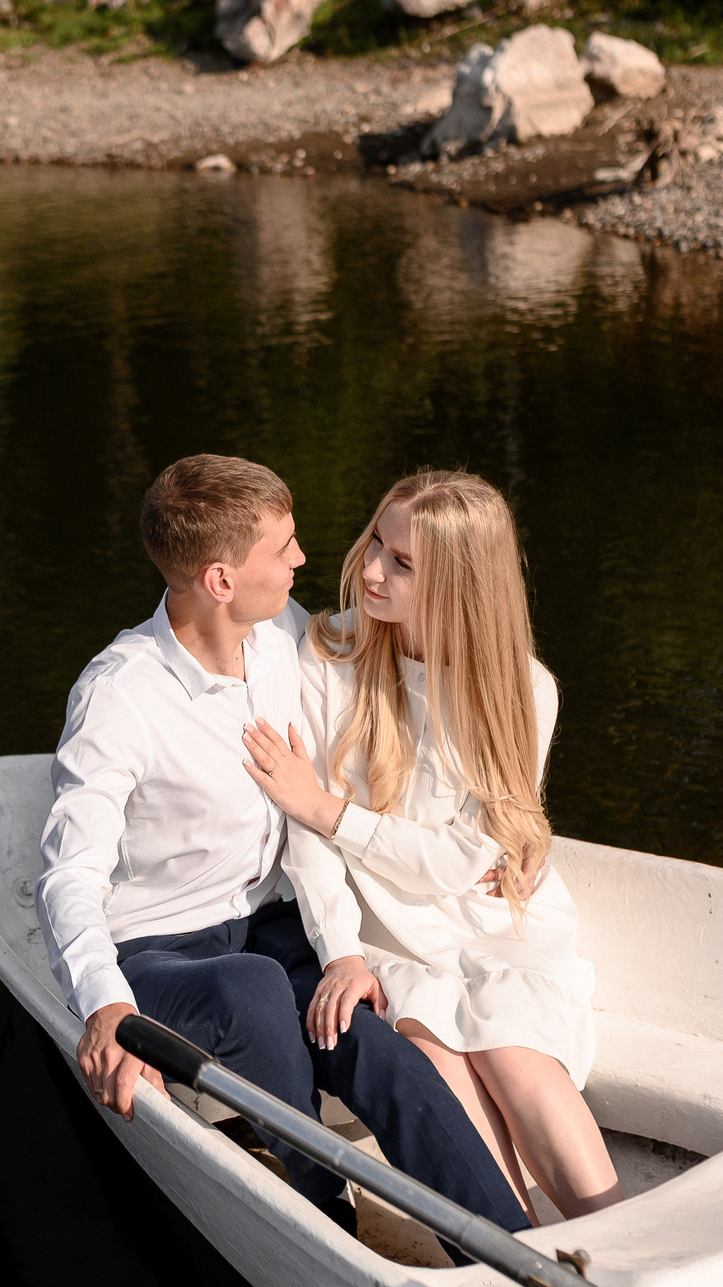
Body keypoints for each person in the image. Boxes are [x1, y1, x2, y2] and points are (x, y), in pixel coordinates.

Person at [37, 454, 531, 1238]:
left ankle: (518, 1255)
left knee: (380, 1049)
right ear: (222, 580)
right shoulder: (119, 697)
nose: (304, 560)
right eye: (284, 548)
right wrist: (106, 1007)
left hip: (268, 926)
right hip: (157, 951)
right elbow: (69, 875)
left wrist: (502, 829)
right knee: (255, 994)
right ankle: (322, 1215)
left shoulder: (285, 639)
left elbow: (416, 680)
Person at [243, 469, 621, 1222]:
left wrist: (328, 808)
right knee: (439, 1059)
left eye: (404, 563)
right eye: (377, 542)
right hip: (380, 928)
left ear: (461, 585)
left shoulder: (523, 688)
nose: (373, 569)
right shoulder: (329, 655)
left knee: (516, 1051)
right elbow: (303, 840)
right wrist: (342, 952)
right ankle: (529, 1267)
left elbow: (459, 859)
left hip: (490, 922)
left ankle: (624, 1250)